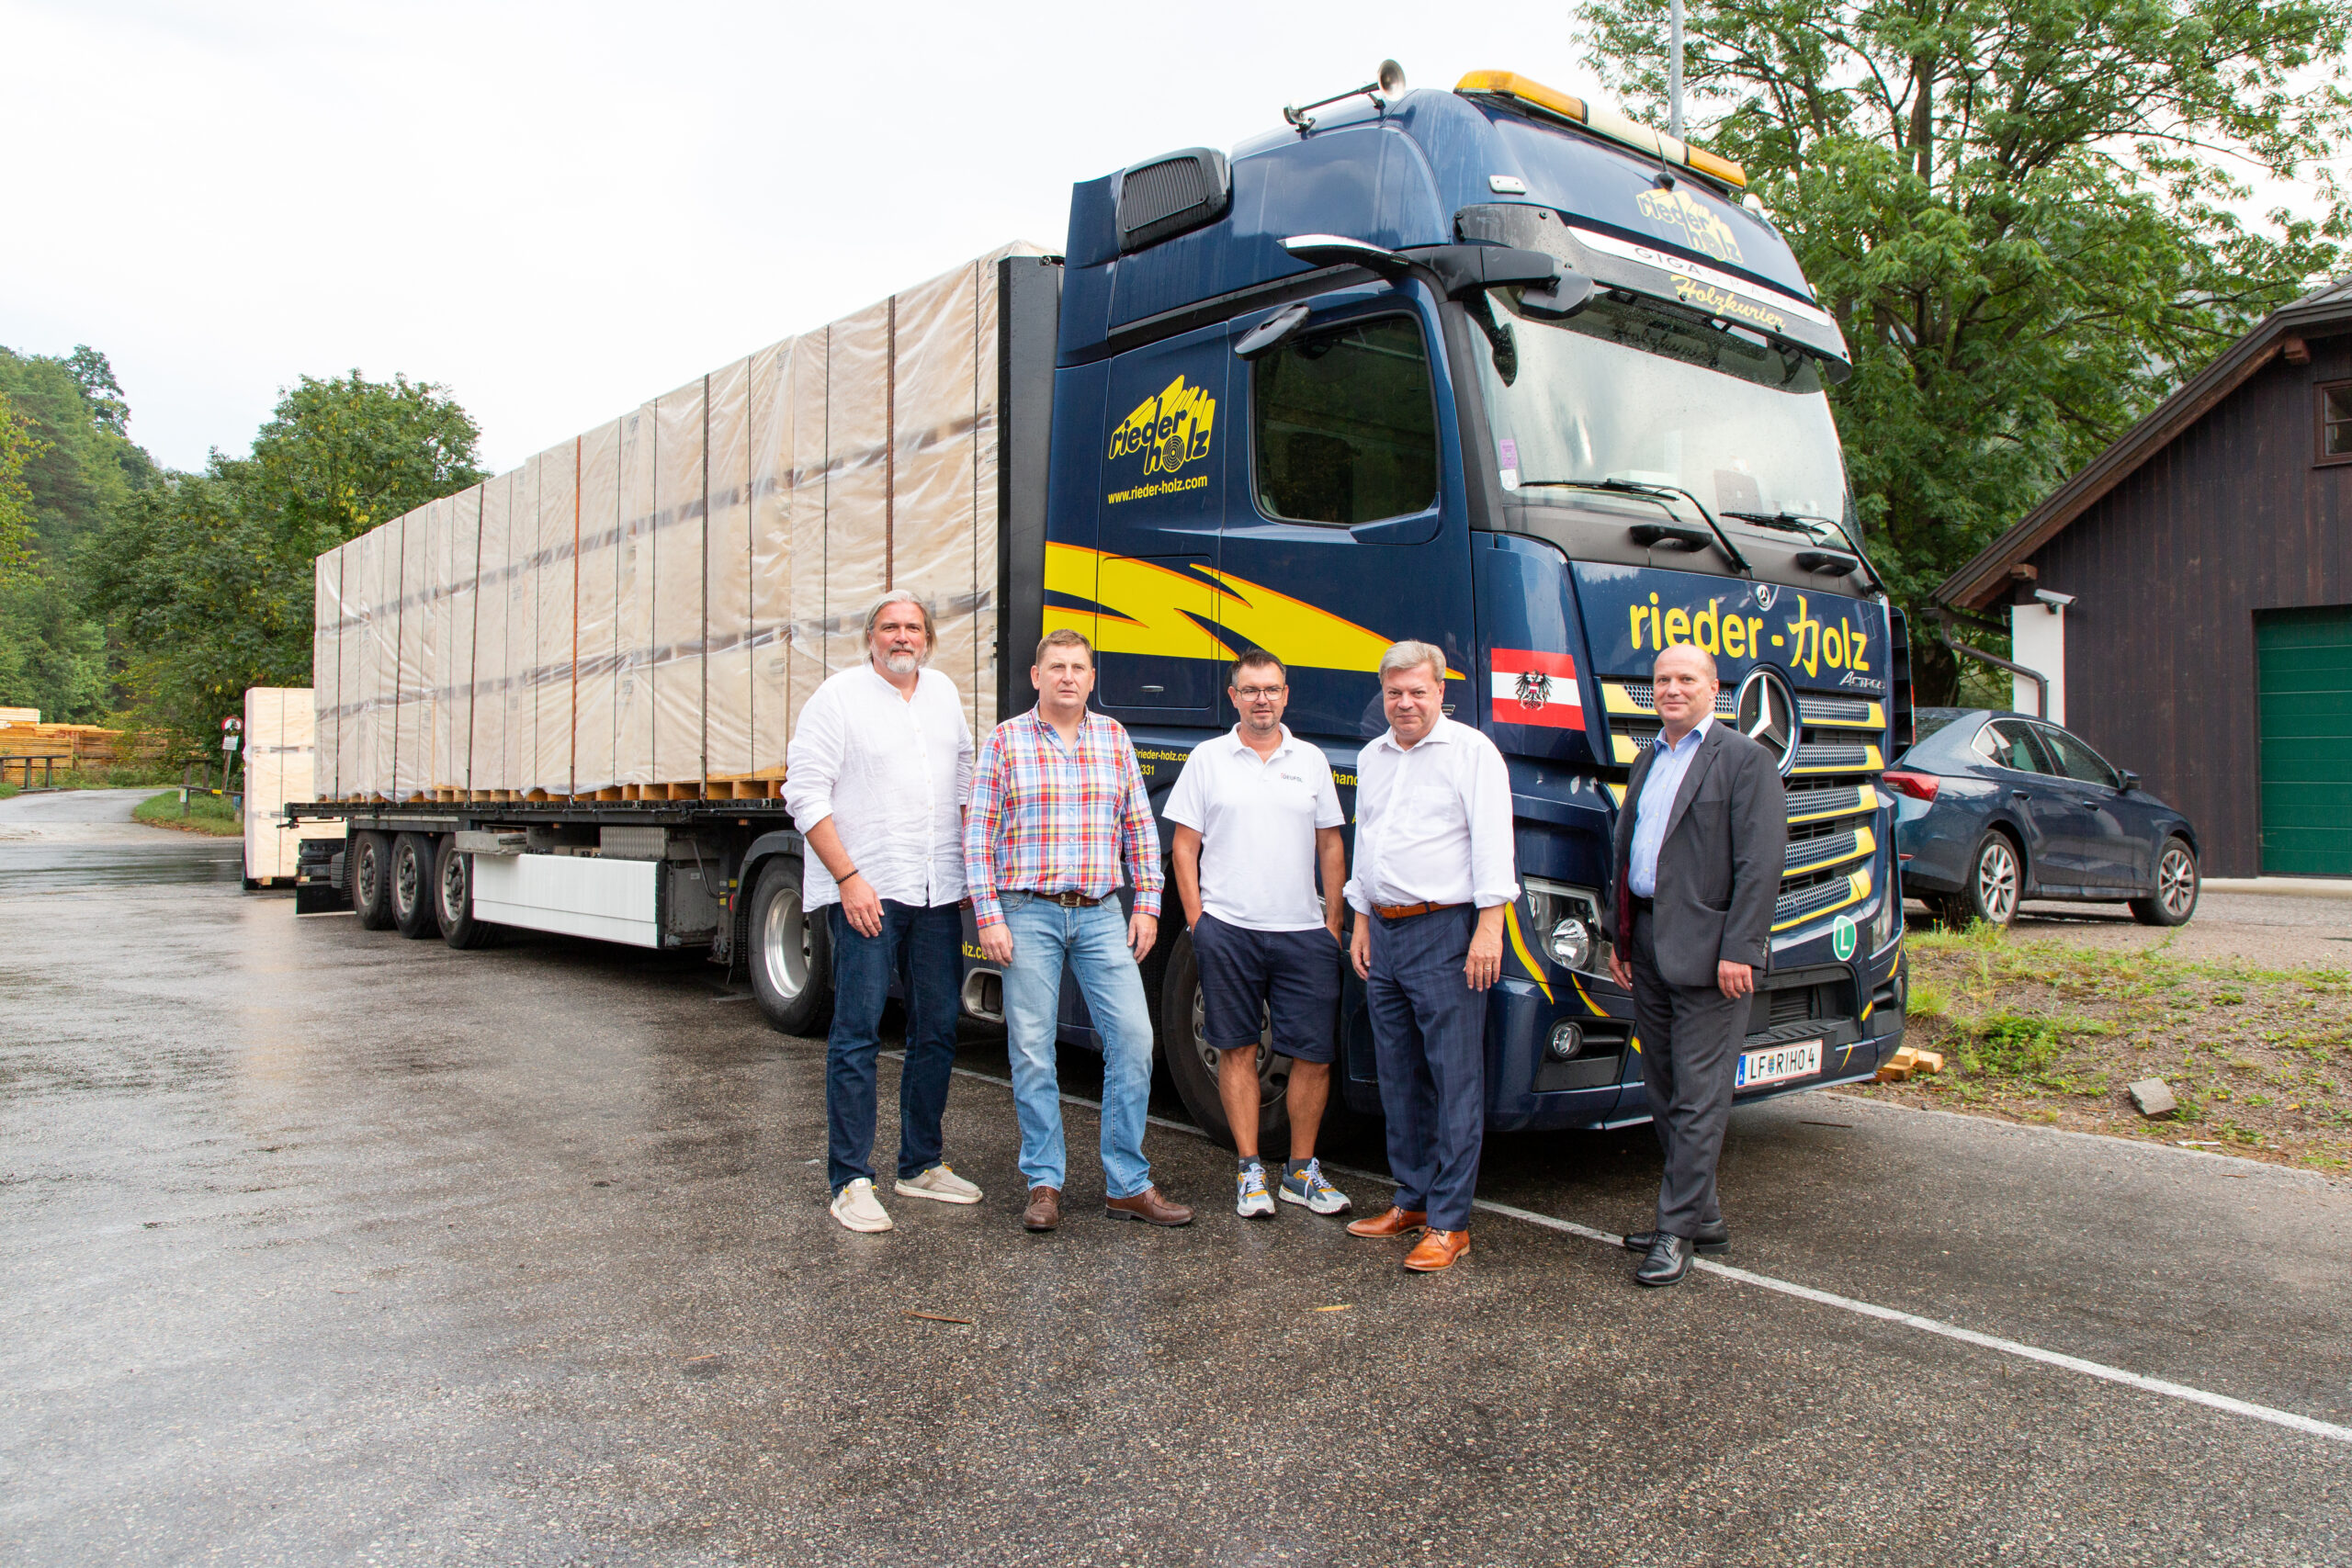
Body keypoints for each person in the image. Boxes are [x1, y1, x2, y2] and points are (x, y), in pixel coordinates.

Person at [965, 628, 1192, 1233]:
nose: (1068, 676)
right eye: (1056, 666)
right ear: (1036, 676)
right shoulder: (1006, 740)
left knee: (1134, 1040)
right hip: (1027, 912)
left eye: (1078, 667)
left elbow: (1140, 829)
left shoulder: (1113, 738)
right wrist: (988, 914)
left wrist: (1147, 904)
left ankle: (1127, 1183)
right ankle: (1044, 1181)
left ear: (1092, 678)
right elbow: (978, 835)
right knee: (1034, 1051)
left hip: (1099, 913)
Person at [785, 590, 980, 1235]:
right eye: (891, 627)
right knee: (859, 1032)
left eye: (914, 627)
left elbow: (962, 782)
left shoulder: (944, 693)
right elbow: (804, 792)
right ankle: (850, 1179)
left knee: (938, 1028)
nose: (903, 637)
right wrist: (848, 876)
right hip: (869, 889)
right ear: (871, 637)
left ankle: (919, 1163)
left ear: (928, 638)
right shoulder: (837, 698)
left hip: (934, 890)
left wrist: (968, 870)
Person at [1606, 641, 1786, 1287]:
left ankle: (1676, 1231)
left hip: (1714, 953)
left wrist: (1743, 947)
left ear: (1715, 688)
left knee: (1700, 1095)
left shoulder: (1744, 761)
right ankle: (1703, 1216)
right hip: (1649, 941)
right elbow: (1628, 851)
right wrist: (1619, 937)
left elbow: (1760, 864)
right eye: (1662, 679)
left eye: (1686, 678)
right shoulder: (1649, 758)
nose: (1672, 688)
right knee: (1666, 1089)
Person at [1341, 640, 1518, 1272]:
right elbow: (1369, 843)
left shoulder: (1472, 753)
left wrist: (1489, 928)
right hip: (1383, 933)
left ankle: (1450, 1221)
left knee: (1454, 1081)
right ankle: (1412, 1200)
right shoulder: (1373, 755)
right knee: (1399, 1076)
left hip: (1447, 933)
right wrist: (1360, 918)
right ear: (1383, 694)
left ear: (1442, 690)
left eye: (1418, 691)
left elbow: (1494, 842)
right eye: (1395, 692)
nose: (1406, 703)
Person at [1166, 649, 1353, 1221]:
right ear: (1234, 697)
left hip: (1302, 932)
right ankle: (1250, 1171)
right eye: (1250, 690)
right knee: (1236, 1048)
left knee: (1314, 1056)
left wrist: (1333, 924)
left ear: (1286, 695)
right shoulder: (1208, 759)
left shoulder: (1312, 760)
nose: (1262, 699)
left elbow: (1330, 844)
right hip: (1230, 929)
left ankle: (1300, 1172)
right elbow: (1184, 845)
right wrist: (1199, 922)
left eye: (1271, 689)